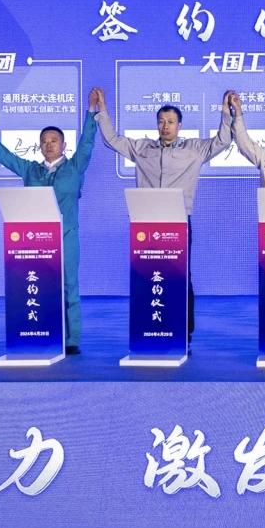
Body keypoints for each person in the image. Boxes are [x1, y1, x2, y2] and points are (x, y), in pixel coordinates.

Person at [93, 87, 232, 339]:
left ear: (179, 125)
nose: (165, 126)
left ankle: (185, 331)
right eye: (161, 121)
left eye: (170, 121)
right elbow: (111, 139)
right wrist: (101, 109)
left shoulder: (193, 149)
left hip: (178, 221)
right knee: (147, 275)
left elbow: (222, 140)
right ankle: (149, 326)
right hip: (146, 222)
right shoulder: (142, 148)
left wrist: (225, 112)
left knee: (180, 275)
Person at [0, 104, 96, 354]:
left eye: (54, 141)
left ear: (63, 145)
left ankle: (72, 338)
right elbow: (4, 155)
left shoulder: (75, 167)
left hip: (66, 236)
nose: (48, 145)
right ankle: (42, 329)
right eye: (44, 142)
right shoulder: (31, 169)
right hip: (37, 240)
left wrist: (92, 112)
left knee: (69, 286)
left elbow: (86, 143)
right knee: (39, 286)